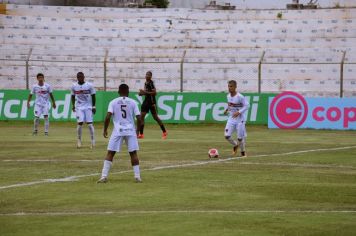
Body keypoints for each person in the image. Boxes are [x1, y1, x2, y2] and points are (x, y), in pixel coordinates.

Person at [97, 84, 142, 183]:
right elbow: (139, 118)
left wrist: (105, 129)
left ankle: (104, 176)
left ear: (118, 91)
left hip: (118, 130)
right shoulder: (133, 102)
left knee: (110, 153)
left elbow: (108, 116)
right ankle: (137, 177)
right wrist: (138, 130)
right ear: (128, 91)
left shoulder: (113, 102)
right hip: (130, 130)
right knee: (133, 153)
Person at [138, 71, 167, 139]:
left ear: (151, 76)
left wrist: (145, 92)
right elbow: (147, 93)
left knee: (155, 118)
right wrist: (141, 94)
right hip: (146, 102)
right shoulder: (145, 83)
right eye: (146, 74)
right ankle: (141, 134)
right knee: (141, 117)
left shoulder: (151, 83)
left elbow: (154, 93)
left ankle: (164, 132)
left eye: (148, 75)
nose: (147, 76)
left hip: (151, 102)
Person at [224, 80, 250, 157]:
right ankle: (235, 145)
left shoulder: (240, 97)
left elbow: (247, 105)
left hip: (240, 120)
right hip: (231, 119)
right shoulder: (228, 96)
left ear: (235, 87)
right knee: (227, 136)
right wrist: (226, 109)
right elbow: (230, 105)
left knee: (240, 138)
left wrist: (239, 112)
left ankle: (243, 152)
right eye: (228, 86)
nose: (229, 88)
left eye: (231, 86)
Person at [71, 72, 96, 149]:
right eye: (78, 77)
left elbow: (93, 96)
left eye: (81, 77)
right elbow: (72, 96)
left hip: (88, 107)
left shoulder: (89, 85)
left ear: (84, 77)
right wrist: (73, 106)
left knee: (90, 124)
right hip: (79, 107)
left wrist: (94, 106)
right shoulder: (74, 86)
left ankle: (92, 141)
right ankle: (79, 140)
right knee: (80, 123)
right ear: (77, 78)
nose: (80, 78)